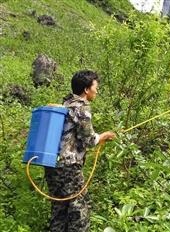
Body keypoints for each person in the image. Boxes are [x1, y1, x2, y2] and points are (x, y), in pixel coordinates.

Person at [45, 70, 116, 231]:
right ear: (86, 89)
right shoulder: (81, 108)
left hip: (52, 165)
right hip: (69, 168)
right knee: (79, 211)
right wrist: (104, 135)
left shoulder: (65, 104)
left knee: (59, 209)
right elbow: (89, 140)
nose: (96, 91)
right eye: (95, 87)